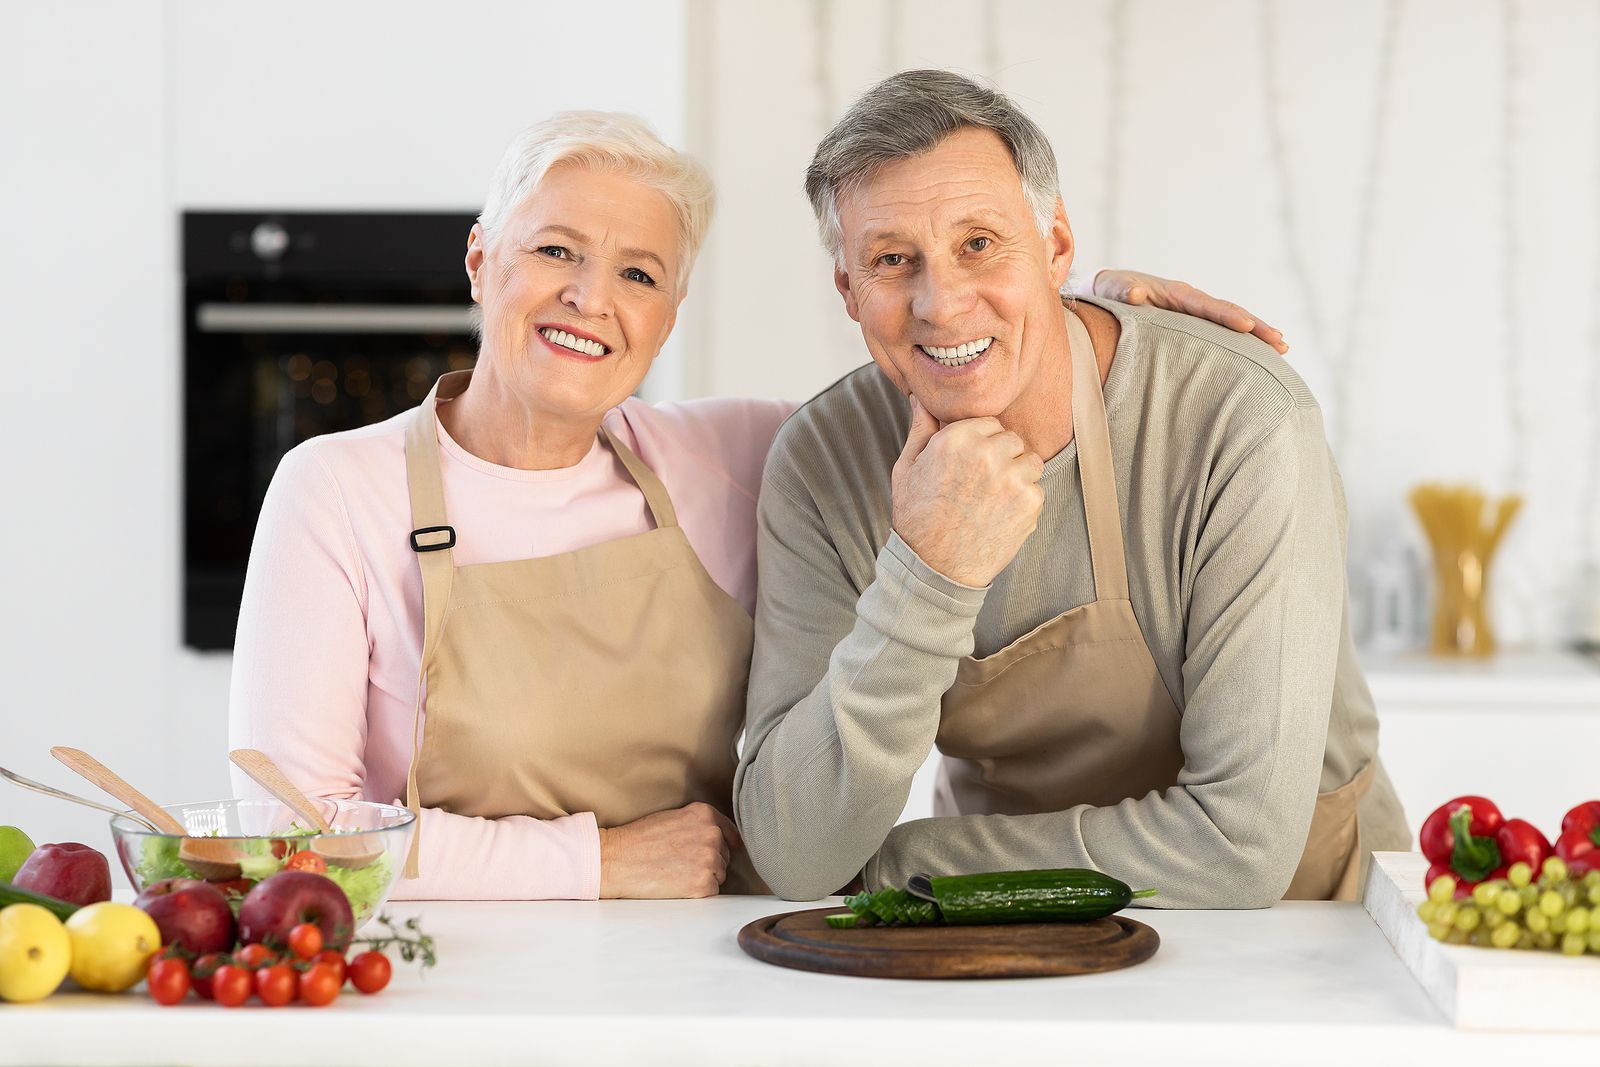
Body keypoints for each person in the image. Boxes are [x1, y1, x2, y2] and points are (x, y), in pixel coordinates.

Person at [229, 109, 1286, 900]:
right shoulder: (337, 488)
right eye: (555, 250)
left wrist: (1088, 316)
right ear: (479, 260)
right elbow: (284, 838)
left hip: (708, 968)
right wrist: (595, 862)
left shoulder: (733, 456)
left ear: (669, 313)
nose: (590, 297)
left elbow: (949, 354)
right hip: (432, 977)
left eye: (639, 273)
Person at [734, 70, 1410, 907]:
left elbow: (1240, 848)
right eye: (892, 260)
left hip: (1300, 928)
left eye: (980, 244)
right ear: (849, 290)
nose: (942, 304)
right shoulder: (821, 464)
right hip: (1000, 936)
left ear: (1056, 247)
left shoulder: (1239, 420)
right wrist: (925, 576)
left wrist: (906, 867)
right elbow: (792, 853)